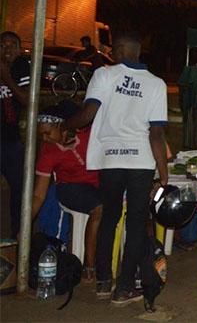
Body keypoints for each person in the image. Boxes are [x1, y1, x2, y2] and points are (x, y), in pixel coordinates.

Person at [60, 32, 168, 305]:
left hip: (110, 159)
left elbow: (87, 114)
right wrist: (163, 173)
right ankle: (125, 288)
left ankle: (103, 282)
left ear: (119, 50)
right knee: (135, 223)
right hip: (140, 162)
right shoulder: (156, 84)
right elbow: (156, 133)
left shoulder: (104, 75)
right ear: (138, 52)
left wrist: (66, 126)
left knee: (109, 217)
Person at [32, 101, 101, 281]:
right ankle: (89, 266)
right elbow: (39, 194)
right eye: (41, 135)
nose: (45, 139)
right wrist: (24, 226)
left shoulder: (88, 135)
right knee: (99, 208)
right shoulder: (49, 152)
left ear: (62, 126)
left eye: (48, 133)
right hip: (69, 188)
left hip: (98, 185)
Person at [1, 31, 30, 237]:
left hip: (10, 139)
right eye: (3, 45)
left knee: (19, 189)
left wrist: (6, 76)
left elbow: (27, 100)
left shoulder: (21, 66)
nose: (8, 49)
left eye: (12, 45)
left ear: (19, 49)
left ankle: (16, 237)